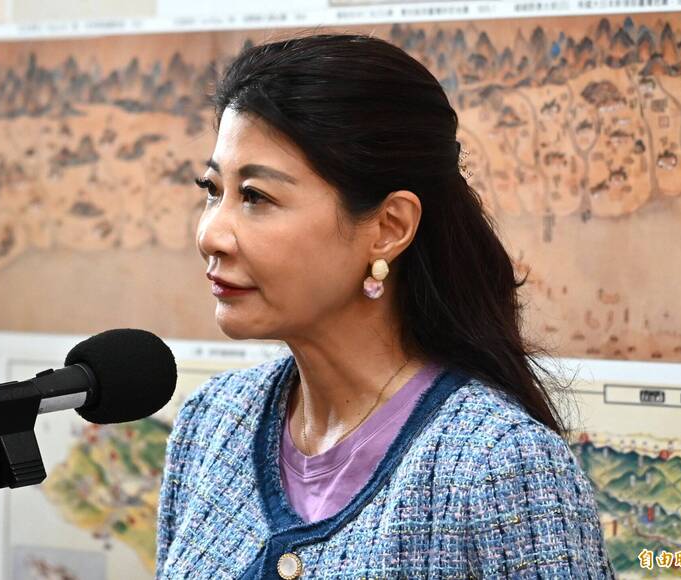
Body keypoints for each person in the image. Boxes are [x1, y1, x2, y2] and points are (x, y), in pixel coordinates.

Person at [155, 33, 615, 579]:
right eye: (212, 189)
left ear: (389, 228)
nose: (210, 234)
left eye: (256, 196)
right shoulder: (211, 422)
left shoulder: (500, 465)